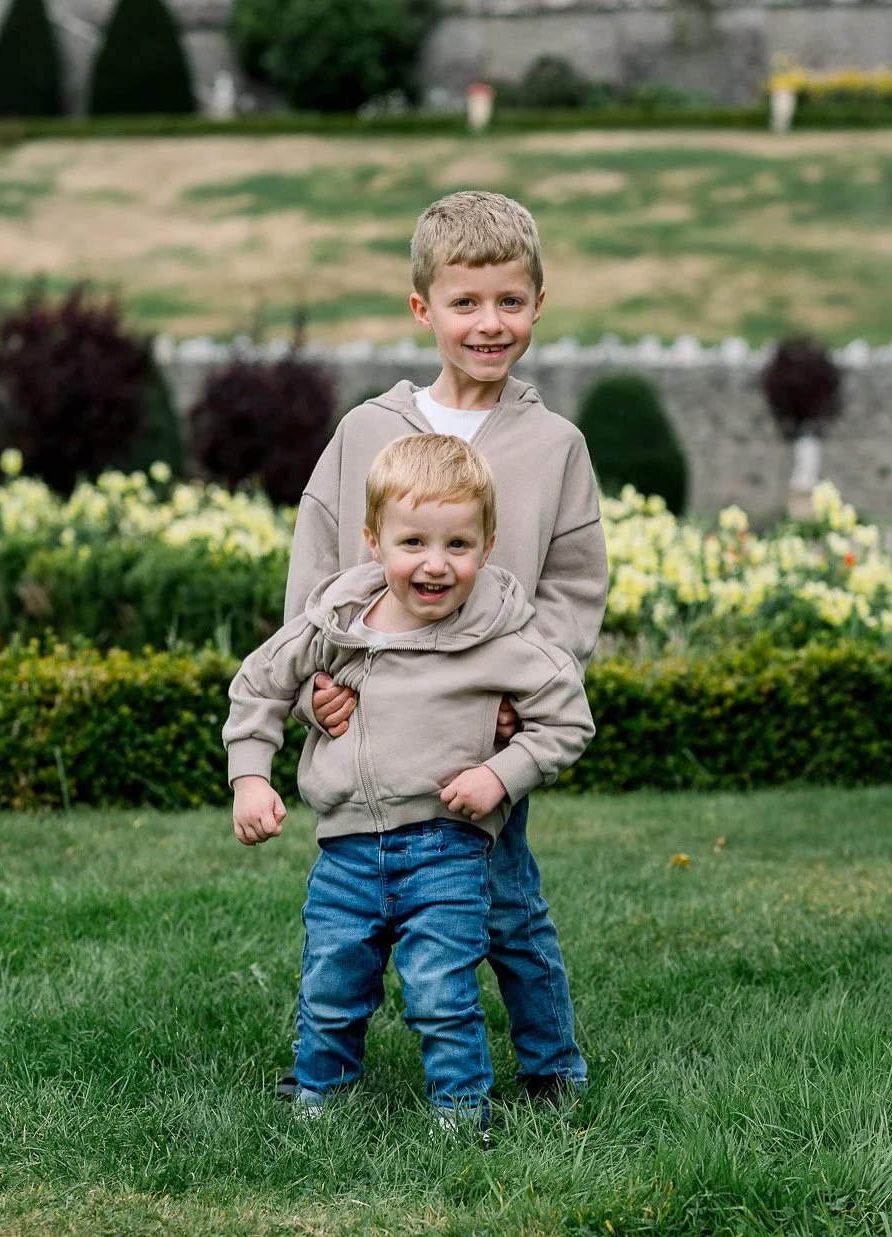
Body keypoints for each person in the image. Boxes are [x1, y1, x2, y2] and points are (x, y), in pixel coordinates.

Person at [281, 190, 609, 1103]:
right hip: (373, 728)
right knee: (351, 916)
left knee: (507, 906)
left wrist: (522, 703)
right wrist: (315, 689)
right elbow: (317, 575)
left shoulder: (555, 446)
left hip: (482, 739)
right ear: (423, 307)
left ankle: (553, 1069)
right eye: (466, 302)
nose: (489, 323)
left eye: (510, 301)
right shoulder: (364, 433)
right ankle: (326, 1067)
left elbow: (574, 587)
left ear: (539, 303)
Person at [224, 434, 593, 1127]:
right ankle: (319, 1092)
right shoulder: (335, 623)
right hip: (346, 850)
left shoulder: (504, 638)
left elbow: (568, 719)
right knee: (332, 978)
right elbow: (258, 684)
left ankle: (460, 1109)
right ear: (373, 541)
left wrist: (501, 774)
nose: (435, 563)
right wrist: (250, 777)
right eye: (413, 542)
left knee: (439, 989)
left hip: (446, 847)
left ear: (487, 546)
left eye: (458, 544)